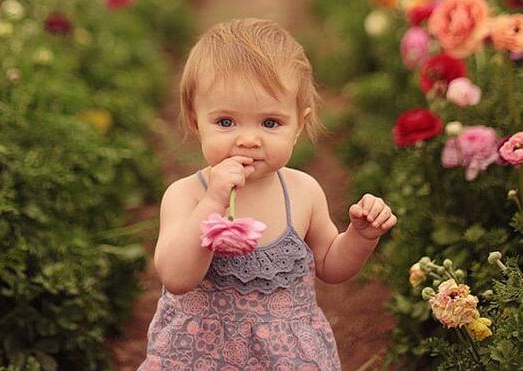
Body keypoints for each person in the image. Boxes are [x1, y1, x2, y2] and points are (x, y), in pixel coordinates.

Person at [138, 18, 397, 370]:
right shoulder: (186, 195)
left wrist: (360, 237)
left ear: (298, 126)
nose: (248, 139)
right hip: (199, 358)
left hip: (284, 359)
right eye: (226, 122)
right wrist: (213, 202)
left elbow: (331, 267)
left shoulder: (303, 192)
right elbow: (176, 277)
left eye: (270, 123)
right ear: (195, 121)